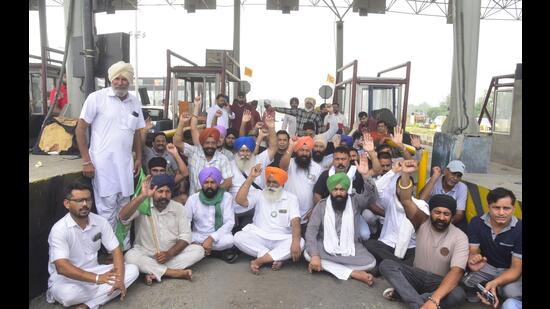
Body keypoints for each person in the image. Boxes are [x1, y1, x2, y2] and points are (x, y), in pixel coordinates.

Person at [379, 160, 468, 309]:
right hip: (415, 275)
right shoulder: (422, 221)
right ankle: (419, 304)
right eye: (437, 212)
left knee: (458, 294)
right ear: (430, 212)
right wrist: (406, 174)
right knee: (387, 265)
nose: (441, 217)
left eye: (446, 214)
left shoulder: (460, 237)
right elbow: (406, 200)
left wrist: (435, 298)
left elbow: (457, 272)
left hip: (439, 281)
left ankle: (410, 295)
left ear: (452, 217)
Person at [75, 61, 145, 249]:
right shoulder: (96, 98)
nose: (121, 82)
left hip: (126, 166)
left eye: (125, 79)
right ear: (110, 79)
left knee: (126, 210)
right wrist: (86, 161)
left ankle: (124, 250)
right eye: (117, 78)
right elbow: (80, 130)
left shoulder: (134, 100)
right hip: (103, 166)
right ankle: (111, 254)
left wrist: (138, 157)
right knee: (107, 212)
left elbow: (137, 132)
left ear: (130, 81)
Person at [46, 181, 139, 309]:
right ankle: (106, 293)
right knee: (68, 295)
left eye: (88, 200)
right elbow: (62, 268)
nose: (85, 204)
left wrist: (119, 278)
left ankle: (88, 304)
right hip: (67, 279)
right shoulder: (59, 229)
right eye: (79, 201)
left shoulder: (100, 222)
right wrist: (97, 279)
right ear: (67, 204)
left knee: (132, 270)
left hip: (94, 271)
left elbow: (116, 251)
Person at [305, 157, 378, 286]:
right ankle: (353, 273)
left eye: (342, 189)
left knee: (370, 263)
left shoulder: (355, 201)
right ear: (330, 191)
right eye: (335, 190)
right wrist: (315, 255)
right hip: (325, 247)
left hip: (351, 247)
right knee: (308, 254)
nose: (338, 193)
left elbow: (370, 198)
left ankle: (333, 267)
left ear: (346, 190)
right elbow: (311, 231)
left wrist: (366, 176)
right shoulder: (321, 206)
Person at [120, 175, 205, 285]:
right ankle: (173, 273)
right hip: (145, 253)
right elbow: (122, 217)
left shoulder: (179, 208)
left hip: (171, 254)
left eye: (167, 192)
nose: (164, 196)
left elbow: (185, 236)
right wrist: (142, 197)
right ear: (152, 191)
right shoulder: (143, 206)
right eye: (160, 191)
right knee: (130, 257)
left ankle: (153, 271)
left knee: (198, 251)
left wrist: (169, 254)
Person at [234, 165, 304, 274]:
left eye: (275, 183)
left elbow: (296, 222)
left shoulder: (291, 198)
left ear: (282, 184)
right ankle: (275, 256)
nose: (271, 185)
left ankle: (260, 260)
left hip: (281, 238)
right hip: (259, 235)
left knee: (300, 243)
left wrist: (295, 242)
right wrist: (250, 178)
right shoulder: (259, 194)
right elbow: (240, 200)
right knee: (238, 237)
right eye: (269, 182)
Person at [364, 163, 429, 276]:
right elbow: (376, 189)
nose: (402, 188)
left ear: (412, 188)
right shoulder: (390, 201)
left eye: (407, 185)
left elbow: (425, 228)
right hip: (387, 244)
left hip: (410, 246)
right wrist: (393, 171)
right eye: (399, 185)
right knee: (370, 244)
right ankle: (399, 266)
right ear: (396, 187)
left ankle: (386, 266)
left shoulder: (420, 205)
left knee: (419, 256)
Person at [462, 187, 522, 307]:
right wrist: (473, 259)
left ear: (513, 209)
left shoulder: (520, 228)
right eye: (496, 207)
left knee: (511, 293)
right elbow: (473, 251)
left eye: (506, 208)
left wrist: (495, 282)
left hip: (509, 270)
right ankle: (491, 289)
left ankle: (492, 288)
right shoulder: (476, 222)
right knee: (465, 282)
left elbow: (516, 269)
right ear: (488, 207)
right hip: (487, 266)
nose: (501, 213)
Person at [229, 115, 278, 231]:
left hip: (255, 209)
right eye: (242, 151)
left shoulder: (259, 160)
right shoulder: (229, 164)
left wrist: (271, 127)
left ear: (252, 151)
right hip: (234, 209)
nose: (245, 154)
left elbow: (273, 147)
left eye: (248, 151)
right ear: (237, 152)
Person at [177, 96, 233, 194]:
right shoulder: (194, 152)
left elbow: (228, 182)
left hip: (216, 203)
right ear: (202, 142)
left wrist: (212, 194)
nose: (210, 145)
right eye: (207, 143)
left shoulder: (223, 158)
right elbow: (180, 139)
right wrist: (196, 107)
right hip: (195, 203)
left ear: (217, 143)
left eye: (213, 143)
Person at [186, 167, 238, 263]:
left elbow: (230, 222)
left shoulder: (227, 197)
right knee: (184, 239)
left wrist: (211, 238)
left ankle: (200, 251)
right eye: (206, 182)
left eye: (213, 182)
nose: (209, 185)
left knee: (230, 240)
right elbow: (185, 222)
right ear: (202, 183)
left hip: (218, 236)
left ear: (218, 183)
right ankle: (216, 253)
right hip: (198, 236)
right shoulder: (193, 199)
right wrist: (189, 239)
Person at [279, 136, 324, 230]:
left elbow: (319, 193)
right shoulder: (290, 163)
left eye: (307, 151)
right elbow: (282, 166)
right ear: (296, 151)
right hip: (288, 214)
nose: (304, 153)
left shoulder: (317, 168)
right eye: (301, 150)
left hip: (307, 216)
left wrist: (314, 211)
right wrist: (291, 146)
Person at [420, 160, 468, 229]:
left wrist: (444, 224)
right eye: (453, 174)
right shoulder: (433, 180)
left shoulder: (462, 187)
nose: (455, 178)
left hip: (448, 220)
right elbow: (421, 199)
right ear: (446, 171)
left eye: (459, 176)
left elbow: (459, 213)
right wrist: (434, 177)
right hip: (431, 217)